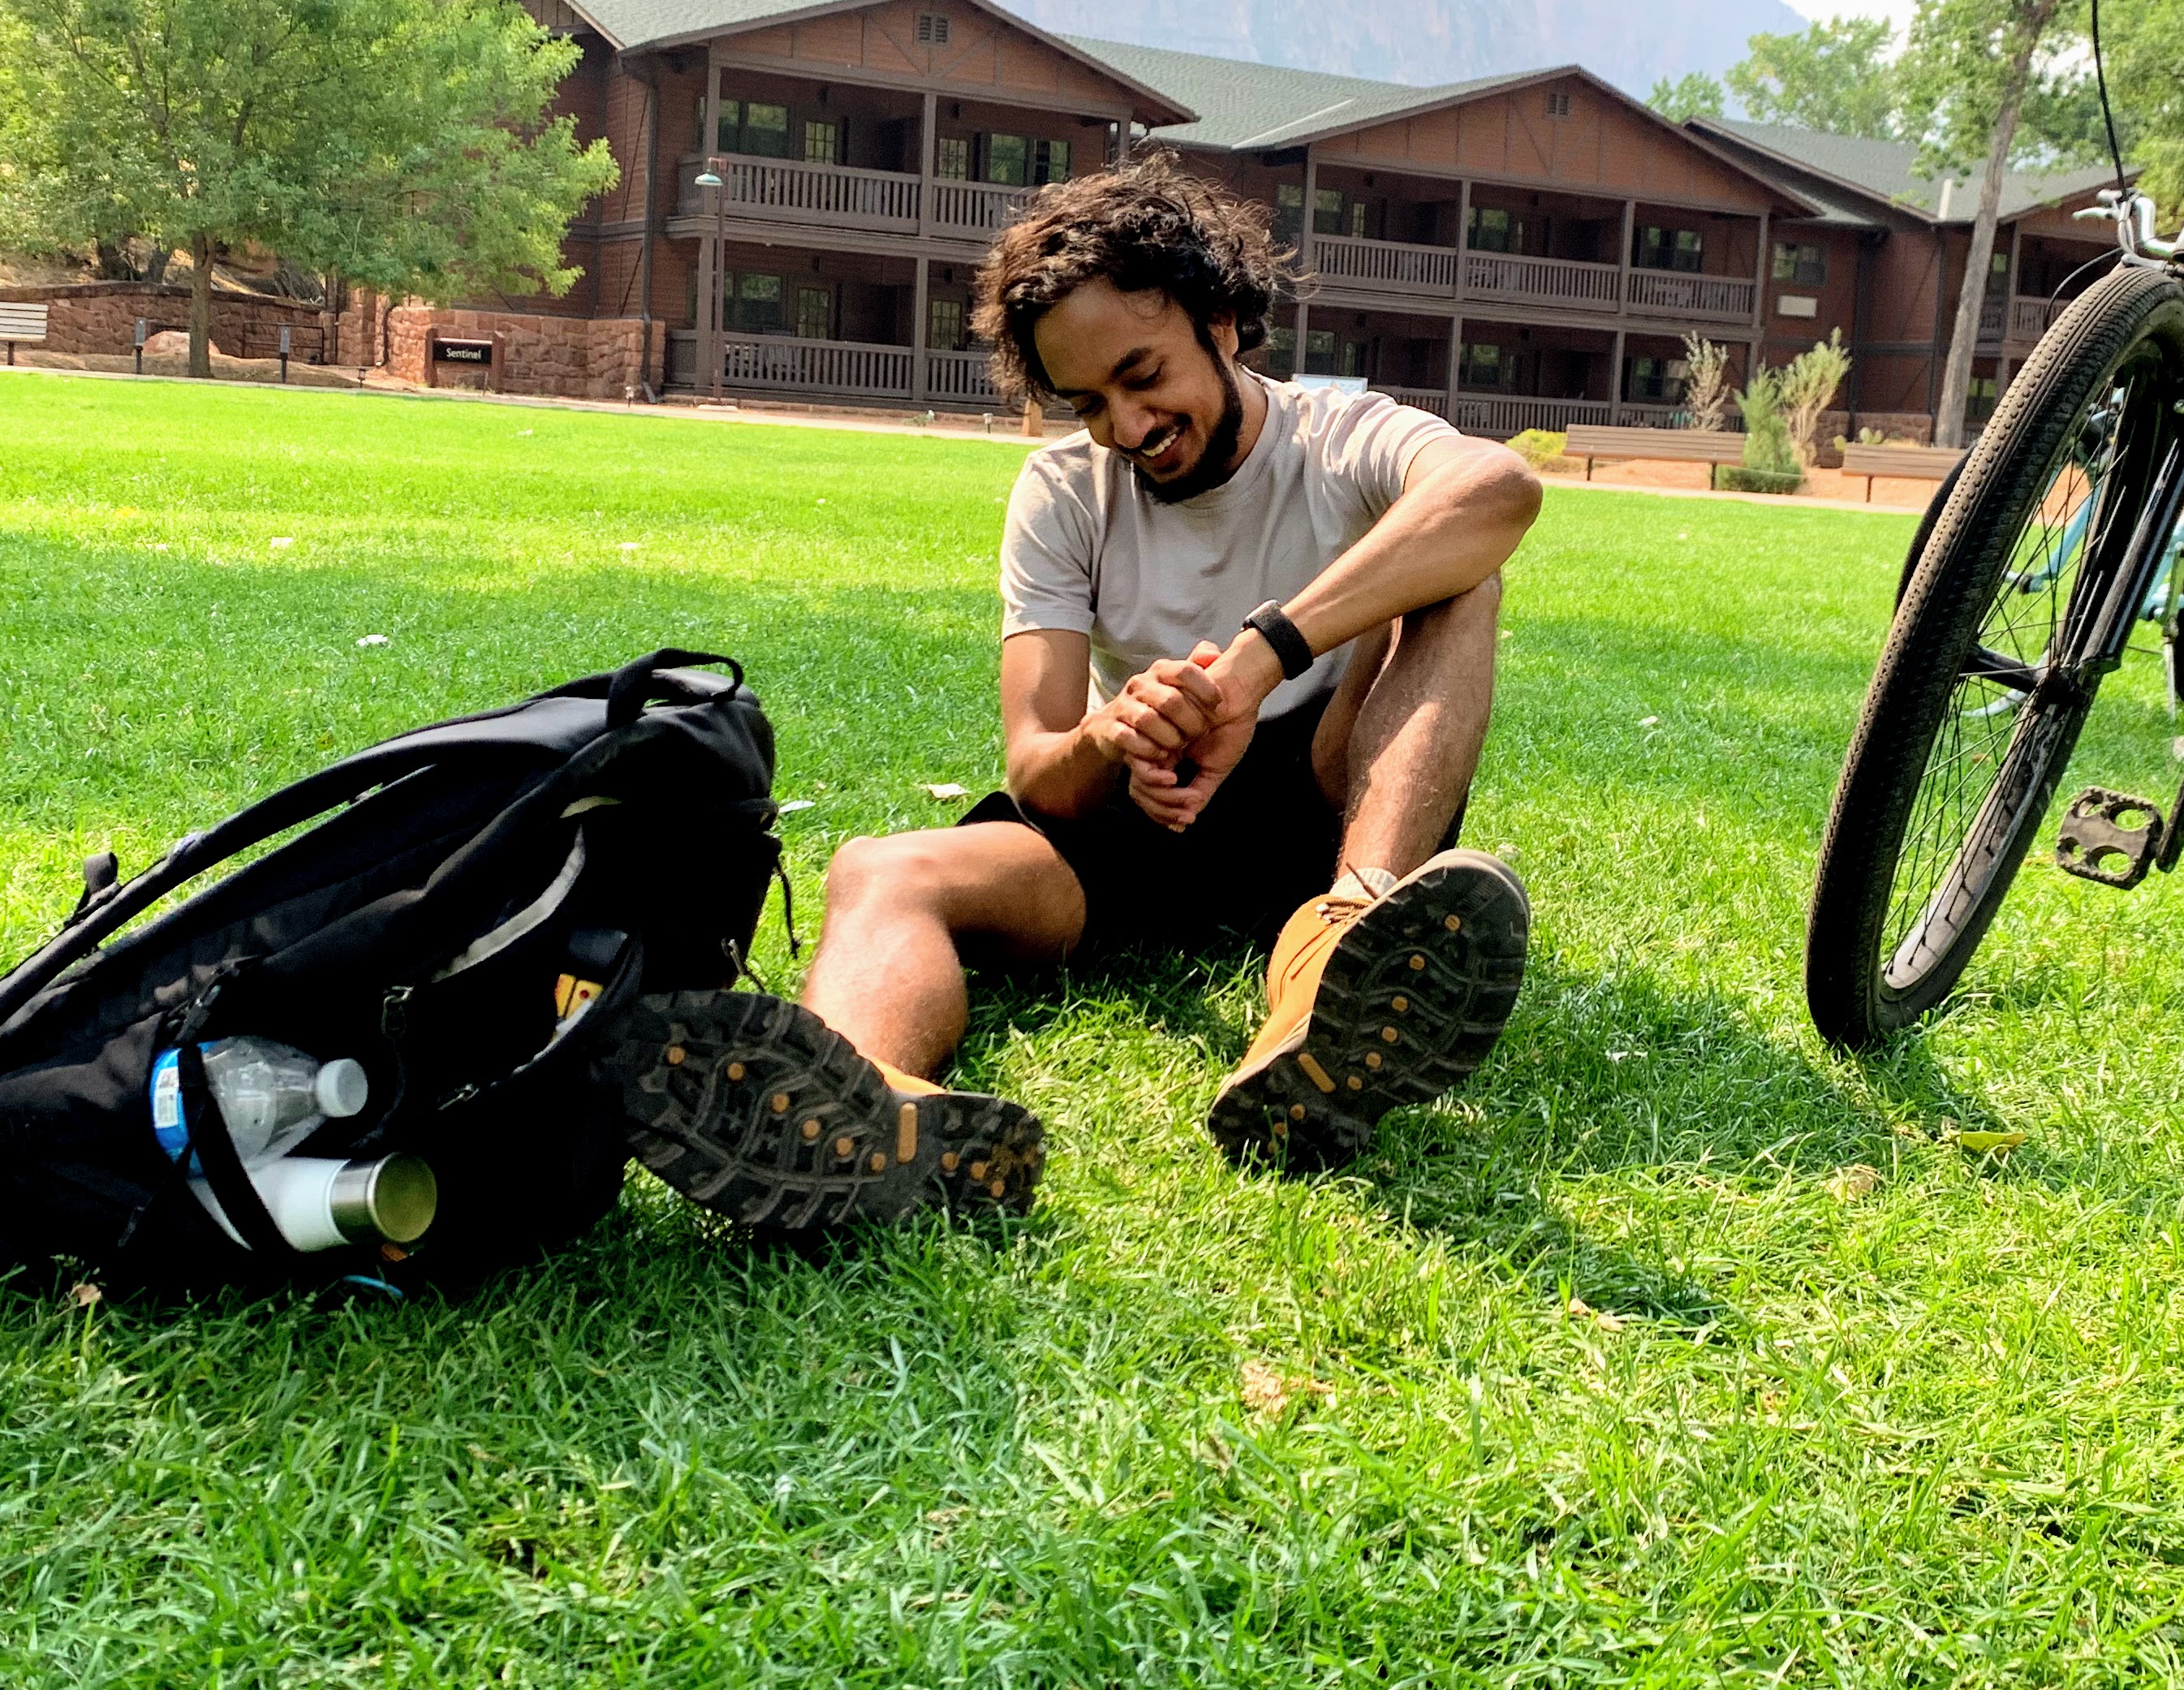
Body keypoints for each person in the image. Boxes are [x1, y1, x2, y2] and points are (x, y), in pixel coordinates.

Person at [602, 157, 1542, 1239]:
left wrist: (1256, 665)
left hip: (1333, 800)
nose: (1128, 425)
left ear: (1224, 321)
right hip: (1139, 823)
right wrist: (1117, 730)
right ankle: (859, 1104)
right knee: (881, 868)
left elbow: (1498, 490)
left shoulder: (1341, 440)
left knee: (1460, 576)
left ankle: (1339, 957)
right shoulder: (1062, 493)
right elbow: (1037, 767)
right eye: (1087, 402)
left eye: (1144, 376)